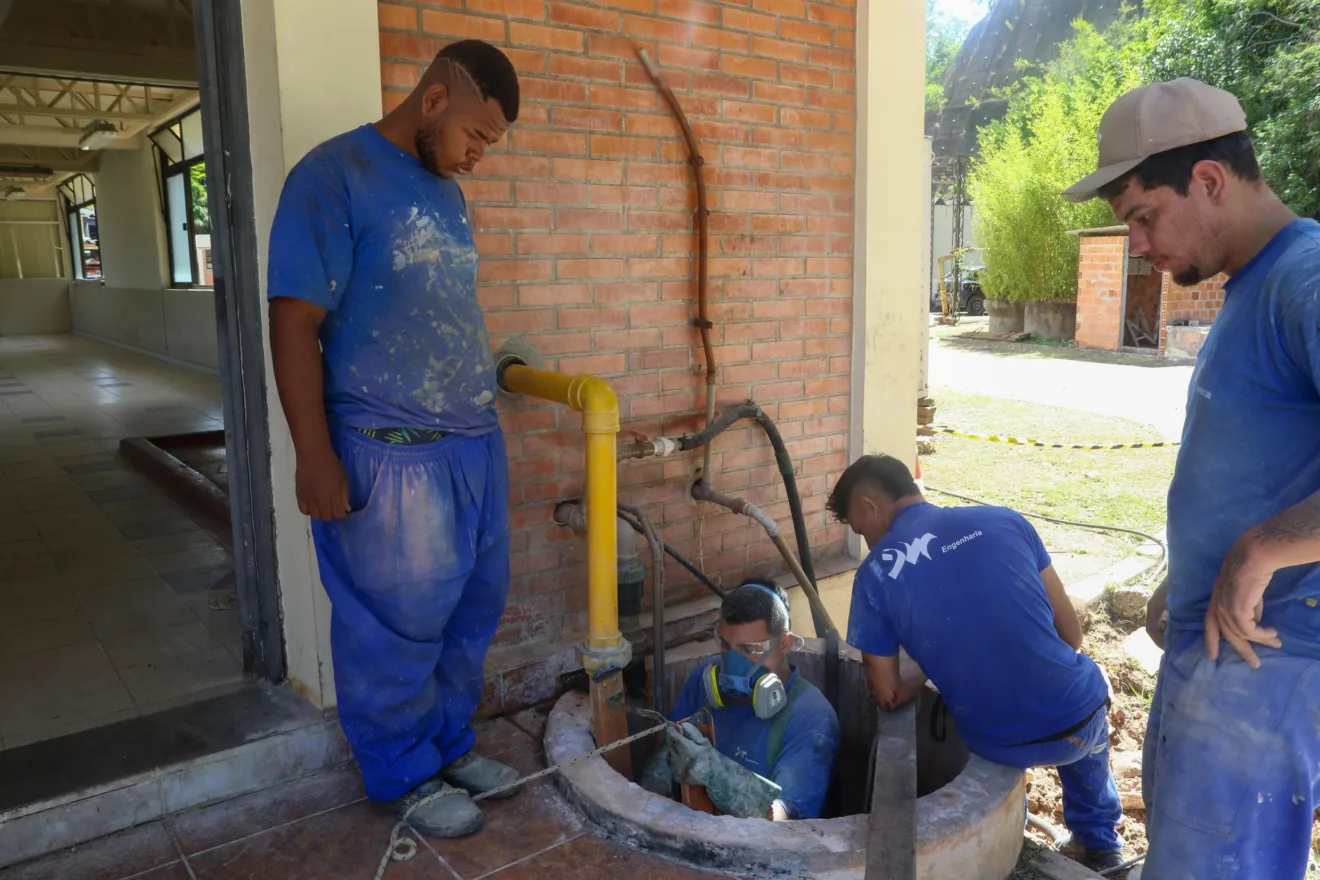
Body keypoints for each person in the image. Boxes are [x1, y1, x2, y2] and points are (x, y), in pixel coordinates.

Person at [1063, 77, 1320, 879]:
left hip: (1267, 664)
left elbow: (1268, 526)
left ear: (1208, 179)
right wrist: (1196, 569)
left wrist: (1257, 553)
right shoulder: (1254, 286)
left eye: (1143, 216)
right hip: (1225, 655)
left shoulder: (1303, 278)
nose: (1137, 244)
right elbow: (1259, 463)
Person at [265, 40, 522, 839]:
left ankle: (445, 745)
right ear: (435, 99)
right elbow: (293, 320)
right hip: (389, 450)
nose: (477, 157)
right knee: (394, 626)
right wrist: (314, 453)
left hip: (471, 445)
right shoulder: (332, 175)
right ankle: (402, 771)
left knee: (469, 613)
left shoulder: (446, 192)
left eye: (490, 146)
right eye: (476, 136)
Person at [829, 454, 1124, 870]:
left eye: (861, 530)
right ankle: (1102, 844)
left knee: (1001, 752)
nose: (869, 542)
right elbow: (1072, 636)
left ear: (869, 504)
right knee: (1077, 698)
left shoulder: (876, 575)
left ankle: (1008, 848)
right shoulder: (1006, 520)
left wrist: (933, 658)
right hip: (1079, 722)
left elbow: (888, 693)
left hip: (999, 743)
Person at [641, 581, 841, 820]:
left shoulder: (811, 718)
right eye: (726, 646)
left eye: (750, 649)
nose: (733, 663)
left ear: (785, 643)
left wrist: (716, 775)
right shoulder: (704, 679)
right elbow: (667, 751)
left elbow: (783, 820)